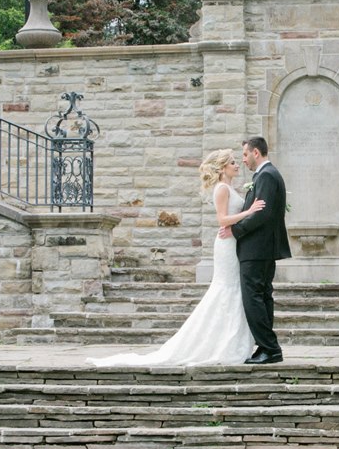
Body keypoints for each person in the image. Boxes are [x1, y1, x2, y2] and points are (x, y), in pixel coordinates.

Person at [86, 149, 265, 367]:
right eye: (233, 163)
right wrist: (250, 211)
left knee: (234, 291)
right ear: (222, 167)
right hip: (227, 246)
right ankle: (220, 344)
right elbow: (222, 220)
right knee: (227, 290)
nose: (238, 165)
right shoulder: (221, 189)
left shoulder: (229, 187)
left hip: (234, 243)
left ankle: (231, 342)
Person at [219, 136, 291, 365]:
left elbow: (263, 213)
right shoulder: (264, 175)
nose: (244, 160)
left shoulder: (267, 175)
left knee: (254, 298)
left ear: (256, 153)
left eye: (245, 154)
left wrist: (236, 231)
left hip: (258, 248)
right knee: (261, 296)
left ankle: (269, 348)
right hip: (261, 248)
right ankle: (267, 347)